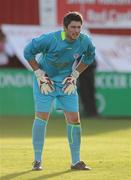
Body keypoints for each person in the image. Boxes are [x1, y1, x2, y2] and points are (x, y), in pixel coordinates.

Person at [24, 11, 95, 171]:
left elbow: (89, 56)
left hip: (65, 83)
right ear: (64, 27)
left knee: (75, 120)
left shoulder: (84, 41)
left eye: (79, 27)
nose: (76, 31)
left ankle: (76, 162)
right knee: (41, 118)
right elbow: (27, 52)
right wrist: (38, 73)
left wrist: (75, 74)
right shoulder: (50, 39)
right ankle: (37, 160)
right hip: (46, 81)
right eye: (73, 27)